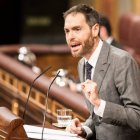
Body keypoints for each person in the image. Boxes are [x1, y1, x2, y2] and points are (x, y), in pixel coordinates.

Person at [63, 4, 140, 140]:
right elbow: (97, 115)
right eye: (67, 31)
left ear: (95, 29)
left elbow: (137, 118)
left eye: (77, 29)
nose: (70, 37)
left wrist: (99, 103)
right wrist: (84, 128)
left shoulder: (122, 61)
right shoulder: (82, 64)